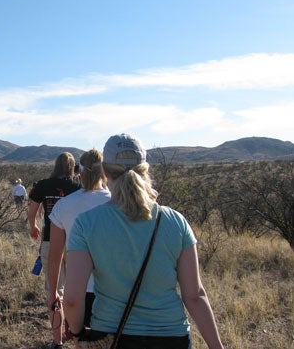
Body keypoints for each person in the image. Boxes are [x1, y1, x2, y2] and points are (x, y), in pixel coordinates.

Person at [64, 134, 224, 349]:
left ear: (105, 171)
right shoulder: (176, 221)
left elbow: (73, 299)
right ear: (145, 170)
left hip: (110, 337)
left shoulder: (86, 223)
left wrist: (77, 333)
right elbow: (194, 296)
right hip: (172, 338)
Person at [47, 149, 111, 337]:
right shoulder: (118, 202)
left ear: (80, 172)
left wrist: (53, 293)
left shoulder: (64, 206)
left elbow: (55, 255)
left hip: (79, 291)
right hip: (117, 290)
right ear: (105, 172)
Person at [28, 152, 81, 349]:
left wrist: (33, 226)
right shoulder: (78, 188)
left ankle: (57, 340)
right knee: (77, 290)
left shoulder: (42, 185)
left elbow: (32, 211)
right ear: (72, 167)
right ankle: (75, 333)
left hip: (51, 241)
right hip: (77, 243)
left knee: (54, 291)